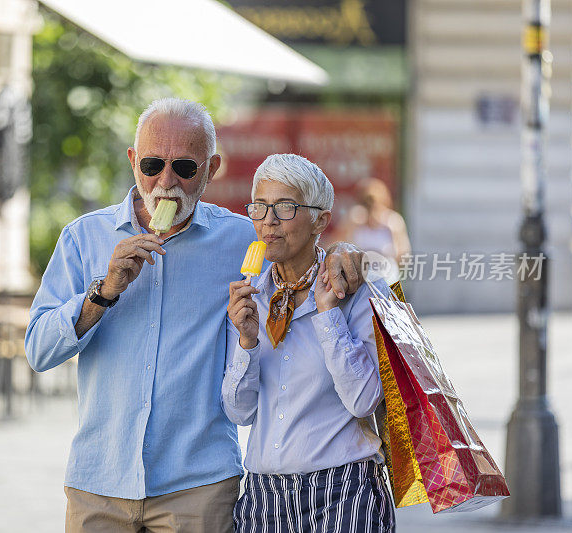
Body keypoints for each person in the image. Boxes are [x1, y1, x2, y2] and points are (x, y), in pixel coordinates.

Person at [25, 98, 367, 533]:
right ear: (133, 162)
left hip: (199, 487)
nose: (166, 181)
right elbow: (37, 351)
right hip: (100, 483)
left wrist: (342, 252)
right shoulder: (83, 237)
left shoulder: (242, 237)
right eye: (152, 164)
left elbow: (302, 251)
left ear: (211, 169)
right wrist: (104, 291)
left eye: (184, 168)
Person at [223, 154, 395, 532]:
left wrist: (327, 314)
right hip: (263, 497)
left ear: (321, 219)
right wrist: (247, 342)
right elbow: (240, 412)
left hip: (344, 492)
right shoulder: (250, 299)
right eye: (260, 207)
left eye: (285, 207)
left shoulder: (358, 288)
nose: (268, 221)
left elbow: (364, 400)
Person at [338, 177, 410, 283]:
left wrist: (392, 233)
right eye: (368, 204)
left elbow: (404, 257)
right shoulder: (354, 220)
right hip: (359, 282)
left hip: (387, 281)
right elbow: (335, 247)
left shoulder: (393, 221)